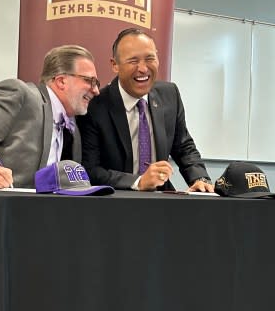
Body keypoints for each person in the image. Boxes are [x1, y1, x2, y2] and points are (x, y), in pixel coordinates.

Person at [0, 45, 100, 189]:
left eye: (96, 84)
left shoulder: (73, 130)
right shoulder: (21, 94)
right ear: (61, 81)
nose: (96, 90)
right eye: (89, 81)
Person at [78, 28, 213, 192]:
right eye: (133, 61)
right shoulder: (95, 105)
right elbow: (89, 170)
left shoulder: (170, 95)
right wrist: (139, 182)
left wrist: (199, 178)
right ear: (115, 65)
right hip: (115, 201)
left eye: (150, 58)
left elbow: (184, 146)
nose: (143, 69)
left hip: (162, 199)